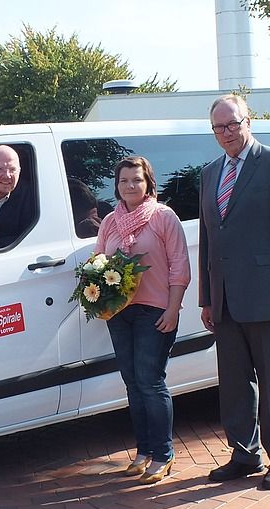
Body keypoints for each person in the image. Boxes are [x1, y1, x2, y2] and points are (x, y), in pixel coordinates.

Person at [198, 94, 270, 490]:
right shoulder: (210, 173)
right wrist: (207, 298)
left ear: (249, 122)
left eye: (233, 124)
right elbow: (209, 238)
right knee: (232, 383)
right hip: (225, 300)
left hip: (267, 298)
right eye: (219, 127)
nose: (227, 133)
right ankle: (243, 455)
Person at [95, 156, 190, 485]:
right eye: (123, 181)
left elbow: (180, 267)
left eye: (136, 180)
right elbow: (99, 261)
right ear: (116, 186)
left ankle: (163, 454)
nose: (129, 186)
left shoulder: (164, 218)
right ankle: (144, 451)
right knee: (133, 383)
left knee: (151, 382)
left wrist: (173, 309)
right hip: (120, 313)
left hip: (155, 311)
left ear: (149, 183)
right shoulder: (110, 221)